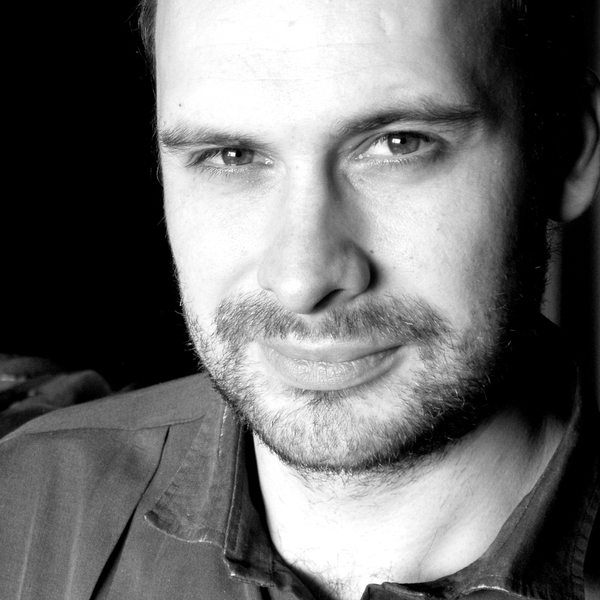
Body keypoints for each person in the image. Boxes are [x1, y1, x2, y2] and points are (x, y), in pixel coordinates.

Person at [1, 0, 599, 598]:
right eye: (231, 156)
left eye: (399, 144)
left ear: (567, 151)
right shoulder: (23, 503)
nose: (302, 280)